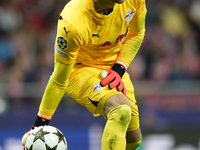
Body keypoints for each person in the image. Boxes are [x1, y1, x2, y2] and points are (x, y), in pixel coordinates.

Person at [22, 0, 147, 149]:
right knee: (120, 110)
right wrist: (39, 124)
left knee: (133, 140)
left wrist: (119, 69)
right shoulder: (72, 22)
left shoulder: (134, 1)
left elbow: (137, 33)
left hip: (113, 69)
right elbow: (59, 79)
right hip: (79, 70)